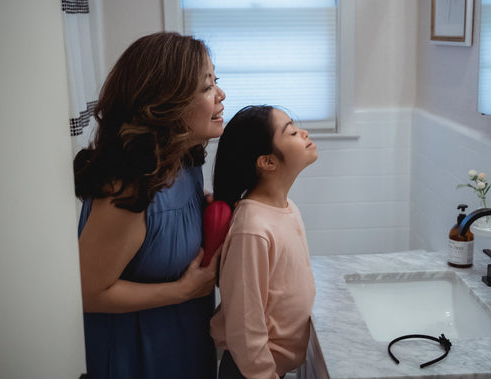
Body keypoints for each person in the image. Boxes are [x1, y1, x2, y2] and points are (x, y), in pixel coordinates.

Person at [73, 32, 225, 379]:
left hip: (185, 337)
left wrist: (201, 209)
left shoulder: (186, 162)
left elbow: (157, 232)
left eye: (217, 81)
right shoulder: (126, 186)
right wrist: (182, 291)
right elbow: (89, 293)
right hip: (137, 354)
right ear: (165, 102)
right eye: (206, 87)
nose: (220, 95)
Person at [210, 105, 318, 379]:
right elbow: (245, 324)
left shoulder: (287, 207)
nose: (304, 133)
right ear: (267, 162)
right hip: (251, 371)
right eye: (292, 132)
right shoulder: (253, 228)